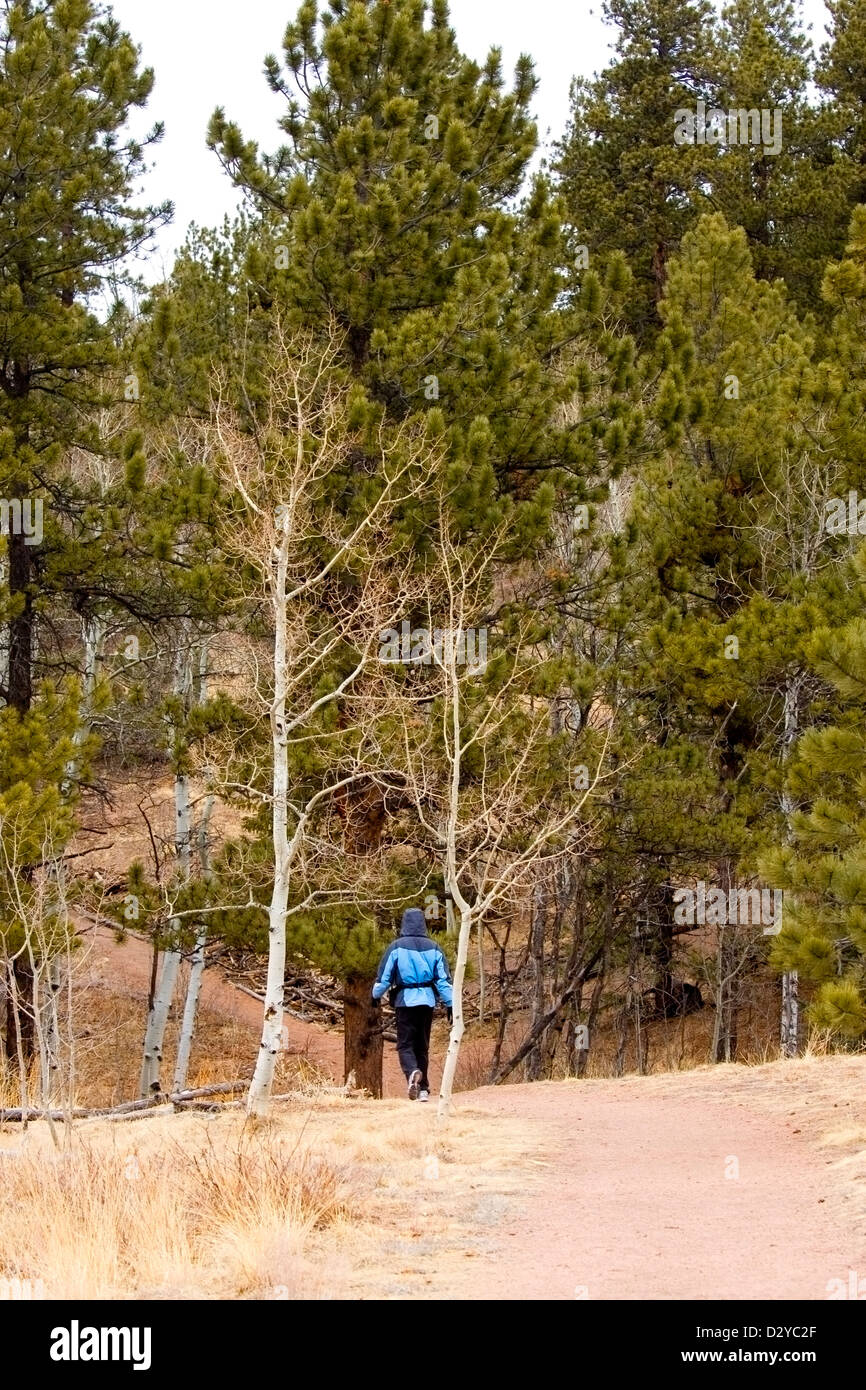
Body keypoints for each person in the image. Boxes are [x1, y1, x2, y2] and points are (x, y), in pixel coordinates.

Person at [372, 907, 453, 1101]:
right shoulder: (434, 947)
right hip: (427, 1002)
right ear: (422, 924)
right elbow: (443, 980)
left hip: (405, 1002)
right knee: (422, 1046)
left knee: (405, 1045)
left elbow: (384, 977)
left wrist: (375, 995)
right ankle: (423, 1089)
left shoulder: (396, 947)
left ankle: (412, 1074)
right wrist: (451, 1004)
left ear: (404, 924)